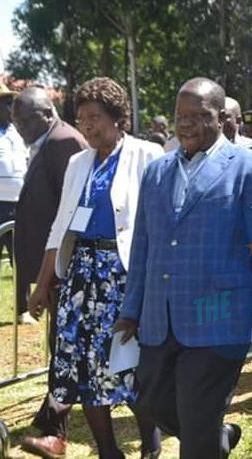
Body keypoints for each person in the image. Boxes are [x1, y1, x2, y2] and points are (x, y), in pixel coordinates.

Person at [115, 77, 252, 458]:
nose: (186, 124)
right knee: (149, 403)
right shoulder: (157, 172)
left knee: (195, 424)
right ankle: (217, 436)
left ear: (223, 118)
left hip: (218, 316)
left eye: (199, 115)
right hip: (160, 318)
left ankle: (207, 438)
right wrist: (131, 309)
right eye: (181, 116)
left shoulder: (249, 168)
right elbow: (143, 245)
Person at [26, 77, 164, 459]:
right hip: (81, 278)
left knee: (130, 366)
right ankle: (108, 451)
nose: (88, 125)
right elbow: (59, 228)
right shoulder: (77, 163)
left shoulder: (147, 155)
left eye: (96, 117)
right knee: (81, 368)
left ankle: (150, 445)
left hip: (123, 277)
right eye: (82, 118)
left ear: (119, 117)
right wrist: (42, 285)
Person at [11, 86, 88, 458]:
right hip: (53, 265)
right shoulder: (48, 140)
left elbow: (70, 211)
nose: (21, 126)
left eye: (26, 119)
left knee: (65, 344)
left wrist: (53, 270)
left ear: (47, 112)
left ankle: (56, 426)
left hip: (64, 265)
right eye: (15, 120)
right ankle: (51, 413)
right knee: (61, 343)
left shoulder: (63, 142)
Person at [0, 84, 27, 284]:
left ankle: (22, 308)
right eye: (7, 103)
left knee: (20, 257)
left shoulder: (18, 133)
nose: (11, 108)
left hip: (18, 203)